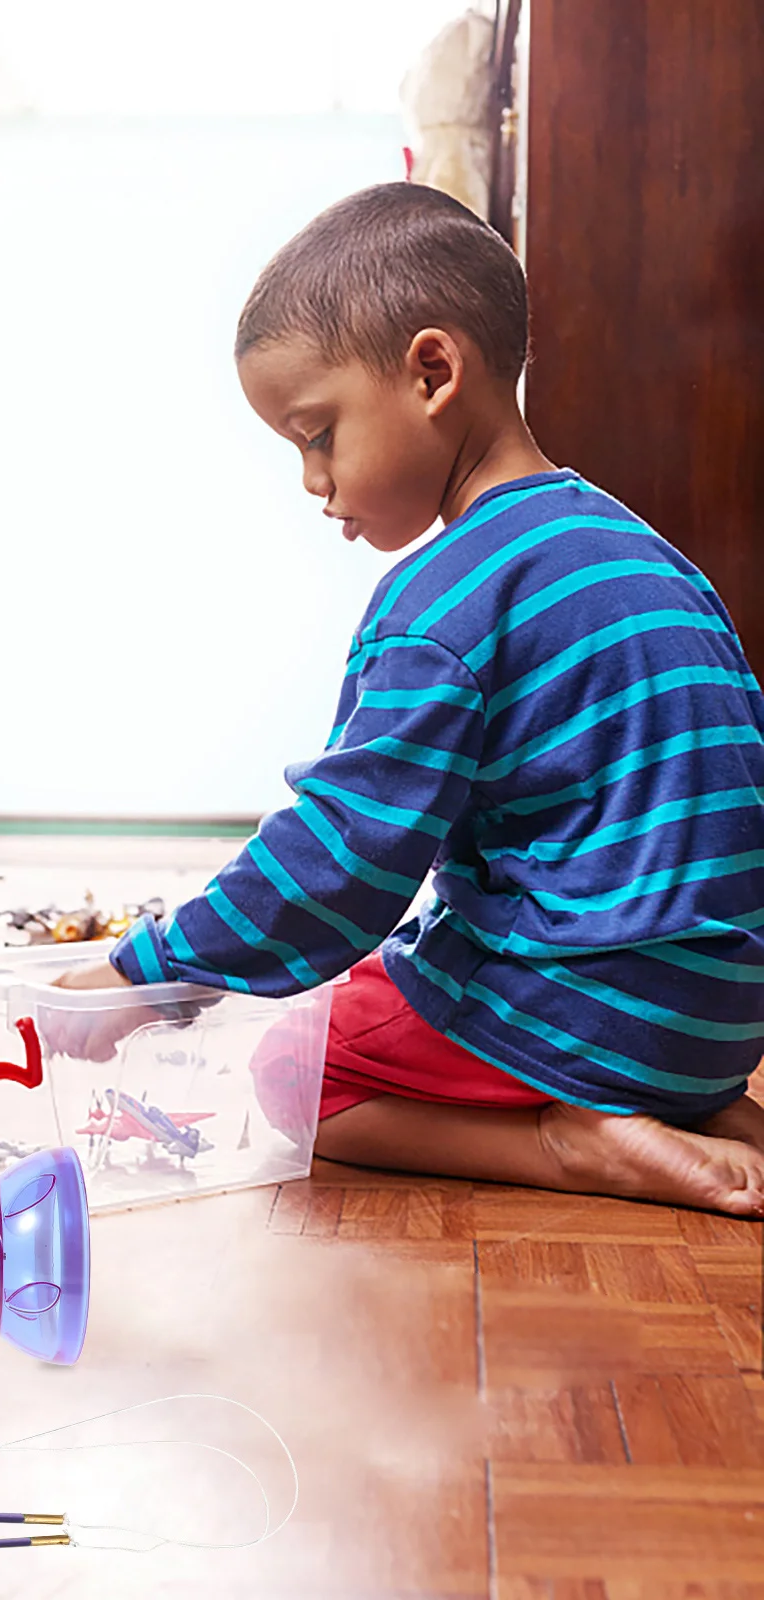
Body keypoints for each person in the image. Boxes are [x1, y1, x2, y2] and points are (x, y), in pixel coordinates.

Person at [55, 182, 764, 1218]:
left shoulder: (443, 604)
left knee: (304, 1070)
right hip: (717, 1019)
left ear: (433, 372)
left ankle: (571, 1142)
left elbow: (342, 859)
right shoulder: (642, 552)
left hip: (580, 1015)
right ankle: (693, 1106)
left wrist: (142, 976)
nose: (312, 480)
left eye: (317, 433)